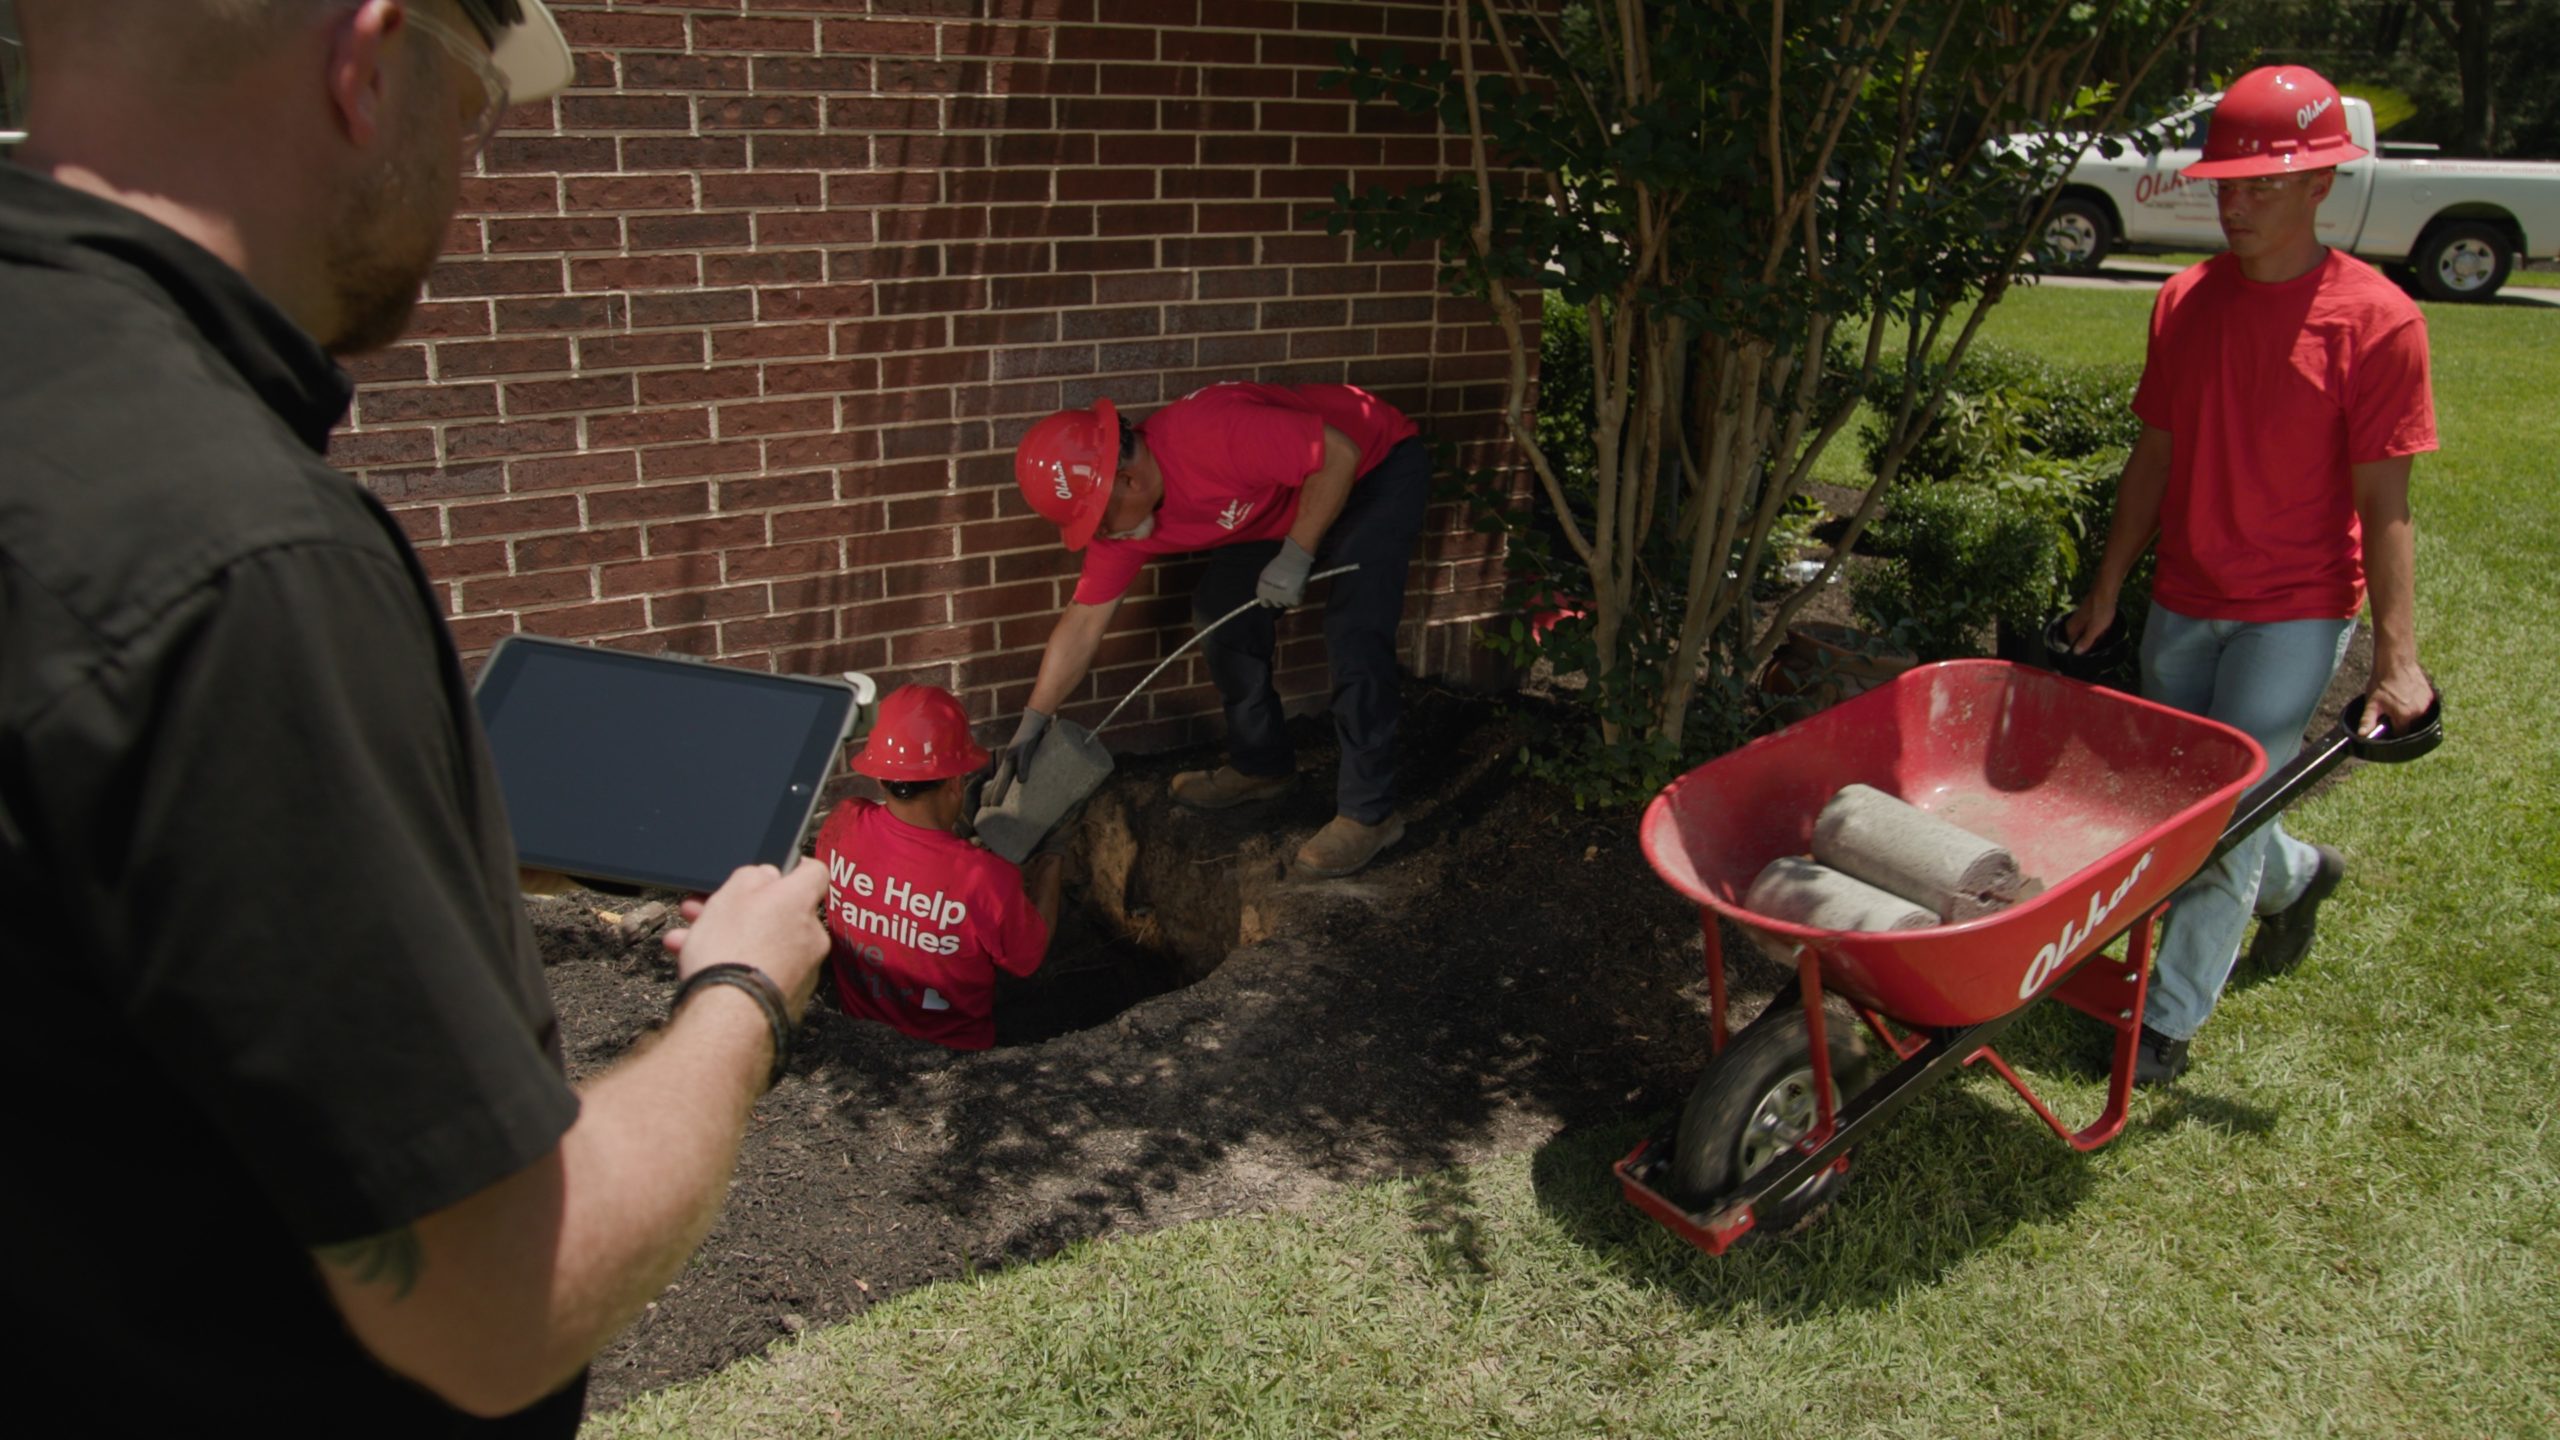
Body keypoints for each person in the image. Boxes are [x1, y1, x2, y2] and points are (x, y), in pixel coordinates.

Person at [0, 3, 837, 1431]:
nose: (472, 162)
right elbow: (502, 1303)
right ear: (367, 62)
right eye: (476, 107)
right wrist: (743, 994)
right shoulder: (247, 555)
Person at [2065, 64, 2437, 1086]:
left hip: (2294, 607)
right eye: (2227, 183)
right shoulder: (2184, 302)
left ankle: (2169, 1022)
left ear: (2322, 184)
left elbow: (2385, 503)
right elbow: (2155, 454)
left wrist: (2396, 660)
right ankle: (2299, 872)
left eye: (2262, 184)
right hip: (2183, 594)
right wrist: (2108, 585)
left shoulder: (2376, 321)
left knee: (2219, 812)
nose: (2236, 203)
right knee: (2189, 801)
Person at [995, 382, 1431, 878]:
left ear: (1128, 482)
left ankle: (1369, 814)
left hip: (1374, 469)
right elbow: (1084, 620)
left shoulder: (1212, 435)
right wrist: (1034, 720)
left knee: (1355, 632)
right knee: (1221, 610)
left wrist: (1298, 554)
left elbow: (1337, 452)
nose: (1098, 533)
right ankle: (1262, 766)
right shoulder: (1124, 524)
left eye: (1095, 518)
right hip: (1283, 504)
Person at [815, 686, 1065, 1050]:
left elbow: (901, 875)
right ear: (954, 782)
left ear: (881, 776)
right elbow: (1029, 957)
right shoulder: (985, 877)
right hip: (956, 1062)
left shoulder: (841, 823)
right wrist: (1053, 857)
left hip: (862, 1044)